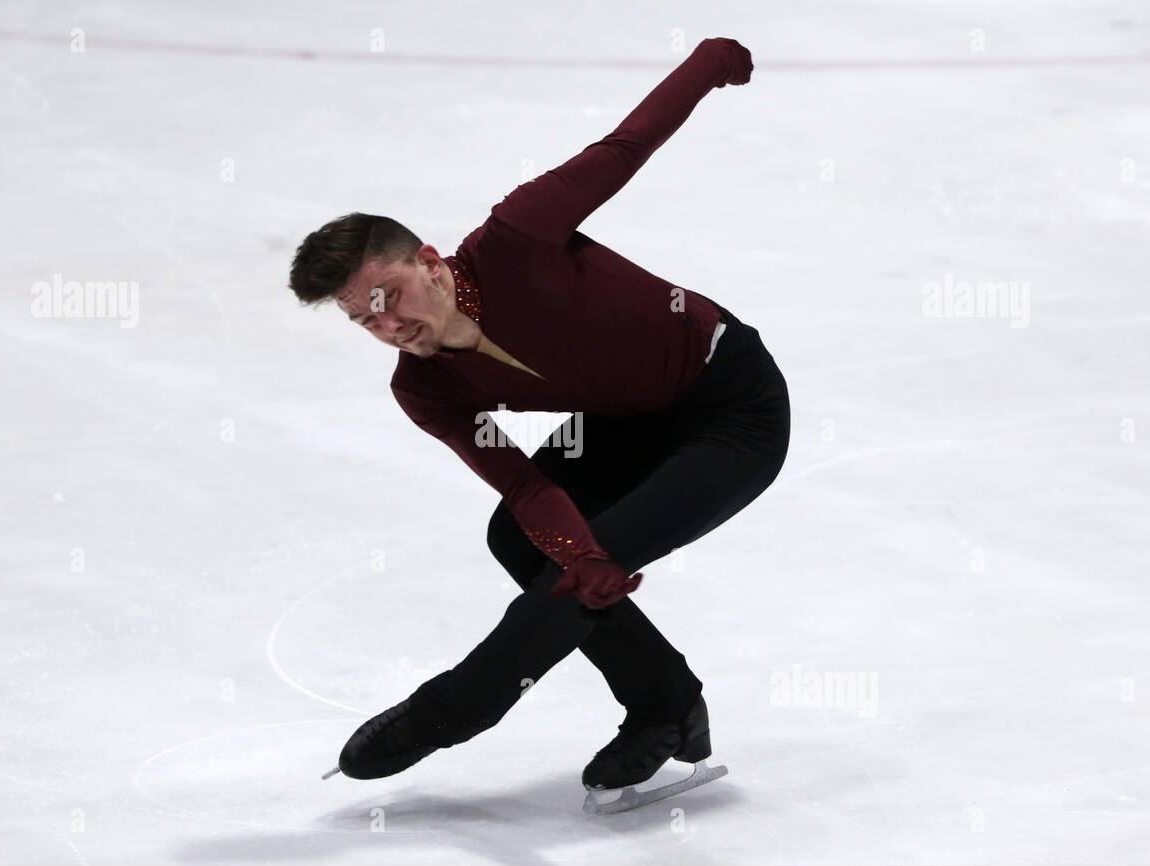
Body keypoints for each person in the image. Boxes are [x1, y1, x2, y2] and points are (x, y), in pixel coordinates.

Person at [289, 37, 789, 792]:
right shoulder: (426, 389)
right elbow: (524, 487)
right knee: (528, 541)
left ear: (429, 260)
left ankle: (457, 707)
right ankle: (667, 706)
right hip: (621, 426)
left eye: (389, 299)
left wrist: (710, 63)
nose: (390, 328)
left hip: (731, 408)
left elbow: (626, 145)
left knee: (585, 554)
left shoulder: (519, 237)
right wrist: (584, 560)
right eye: (365, 322)